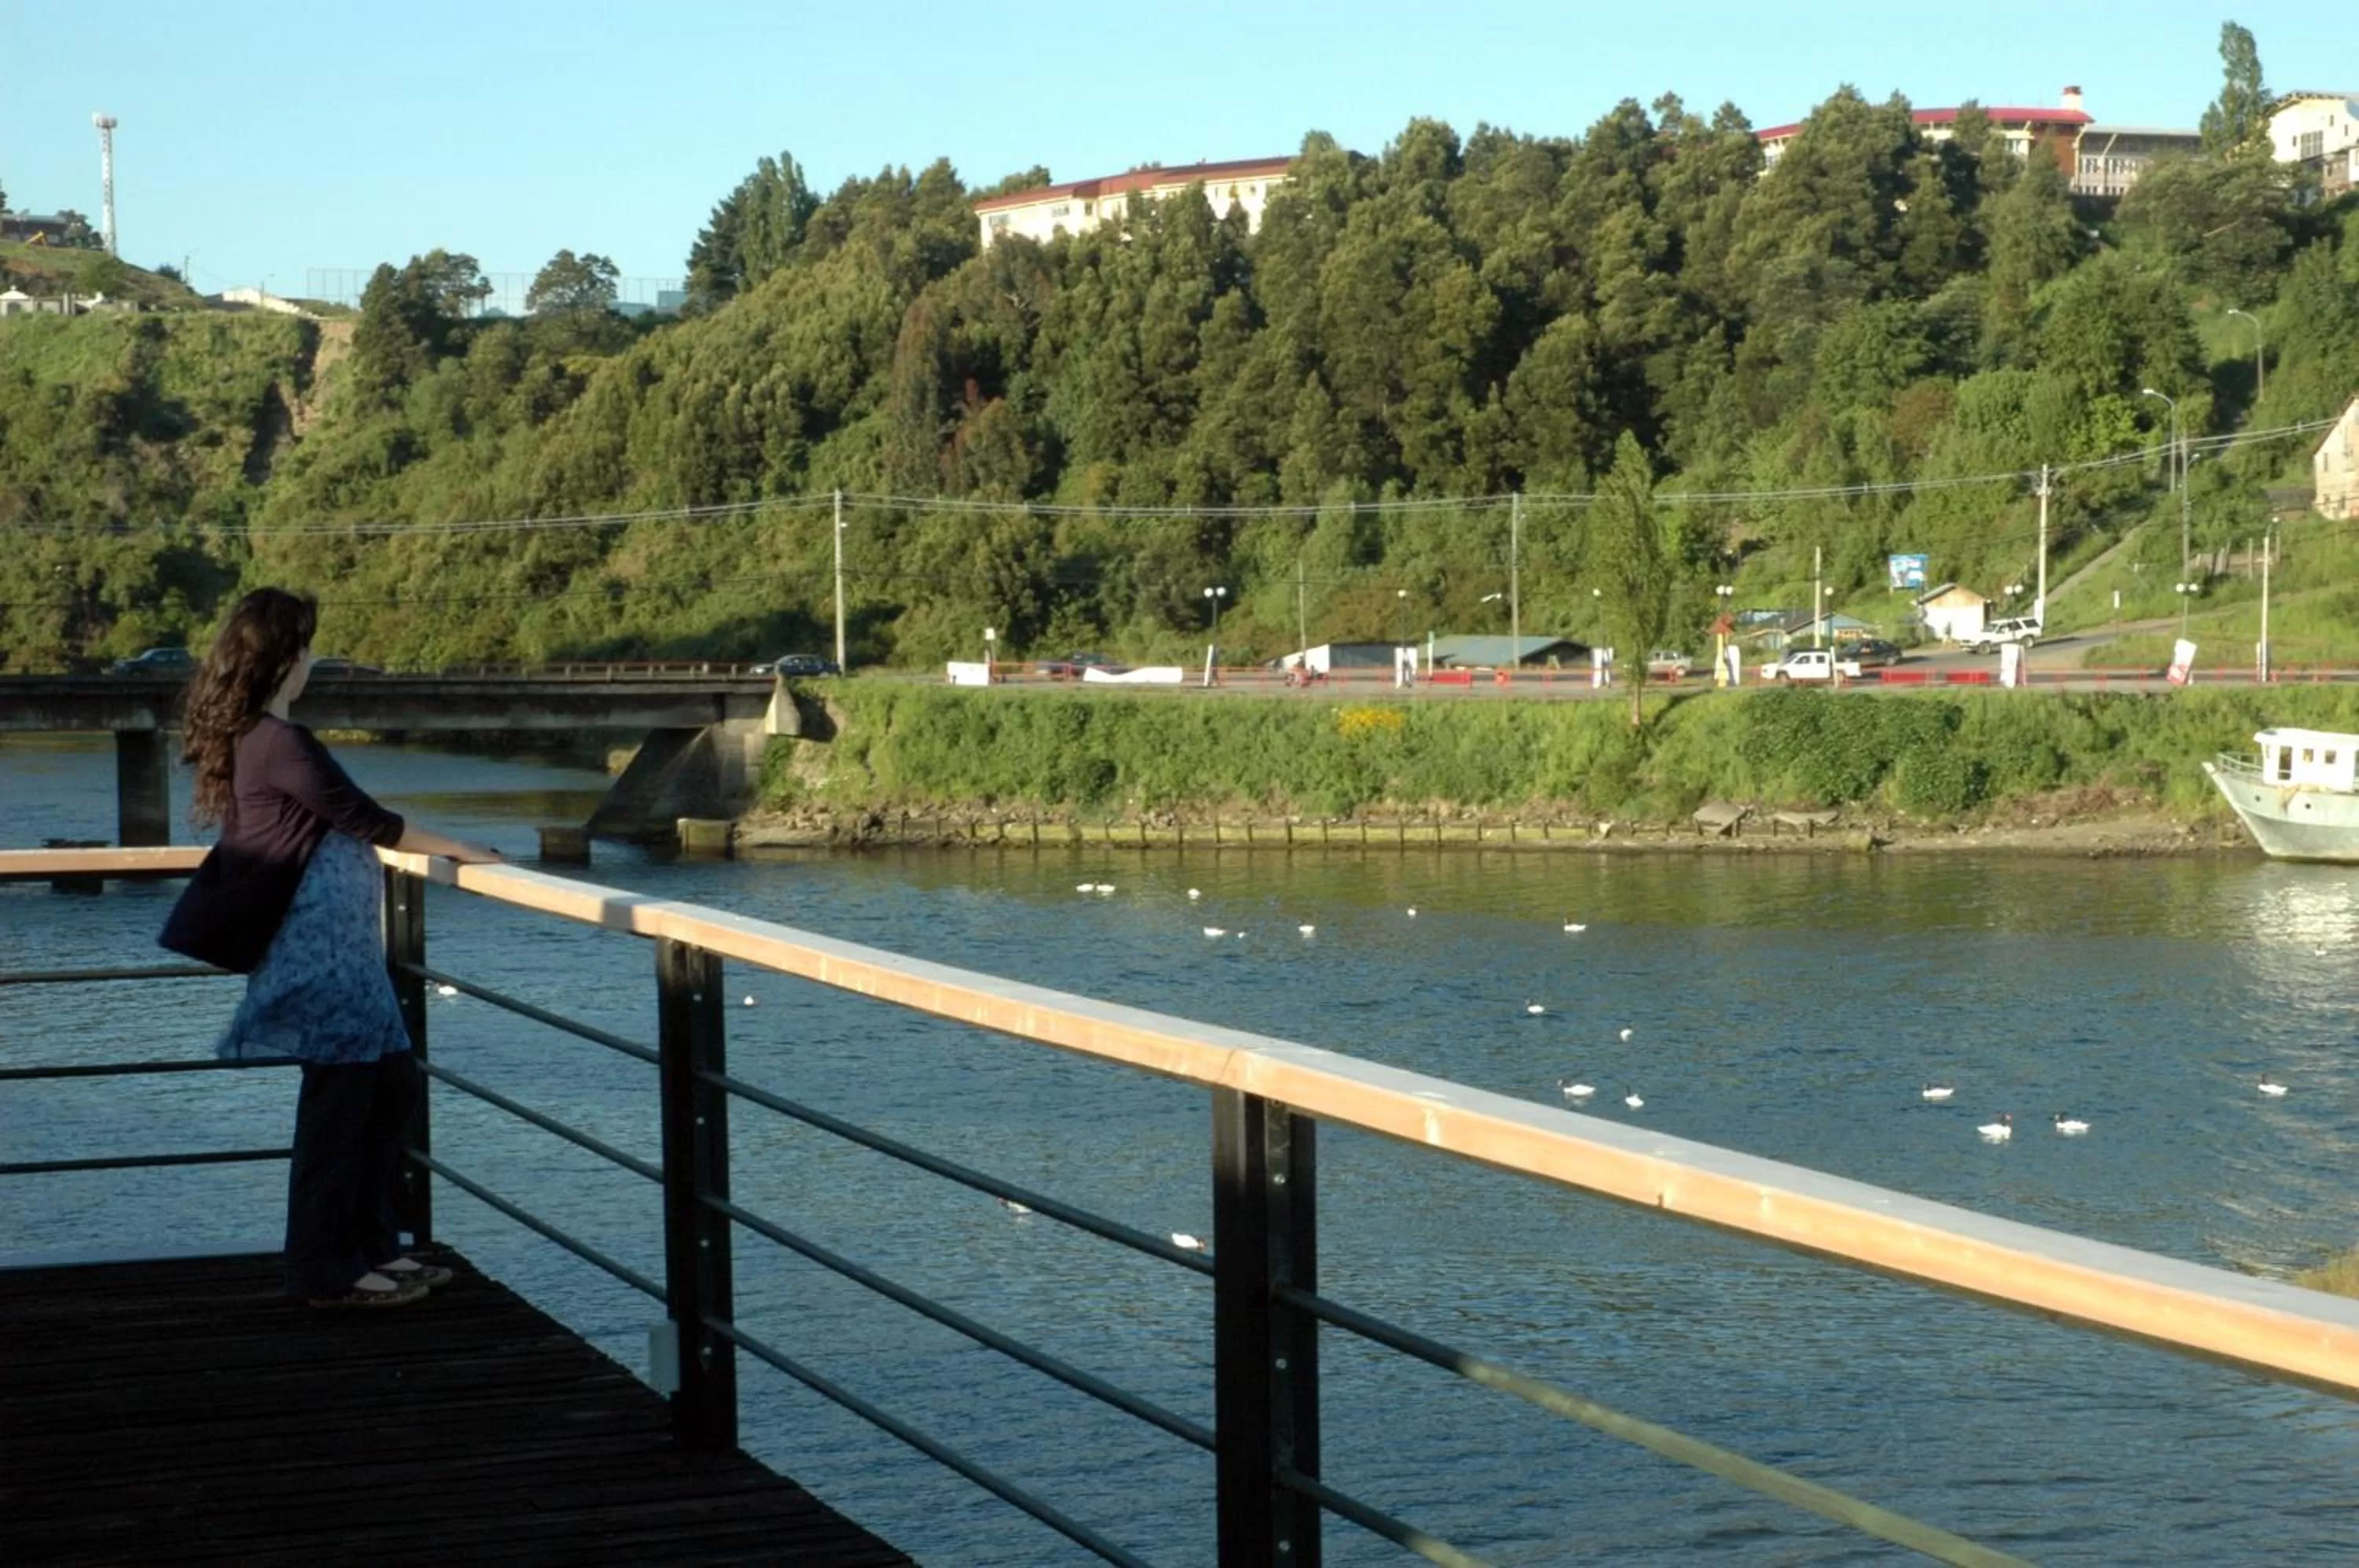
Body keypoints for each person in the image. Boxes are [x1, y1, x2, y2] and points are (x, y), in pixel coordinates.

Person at [161, 589, 502, 1309]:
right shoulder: (281, 743)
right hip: (323, 953)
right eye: (308, 645)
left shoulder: (266, 736)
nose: (313, 658)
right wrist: (465, 849)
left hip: (344, 949)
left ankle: (372, 1248)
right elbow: (366, 820)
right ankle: (326, 1271)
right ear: (288, 658)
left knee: (387, 1088)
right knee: (340, 1111)